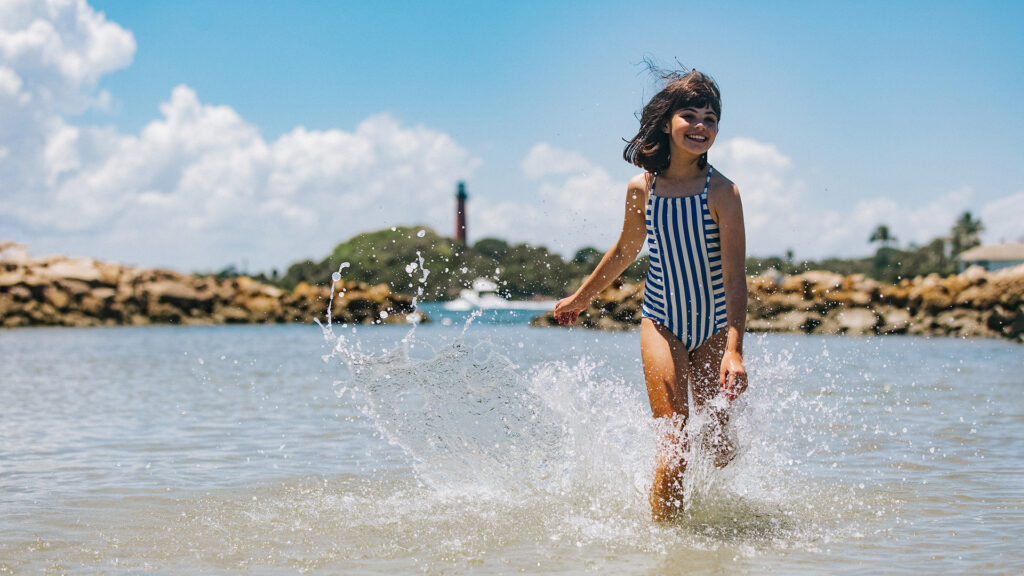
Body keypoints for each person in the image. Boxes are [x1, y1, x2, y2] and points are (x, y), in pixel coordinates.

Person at [553, 68, 748, 521]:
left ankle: (706, 525)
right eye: (690, 115)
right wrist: (581, 298)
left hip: (716, 325)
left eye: (711, 119)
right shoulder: (643, 187)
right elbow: (625, 249)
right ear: (666, 122)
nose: (701, 126)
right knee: (675, 441)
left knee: (718, 446)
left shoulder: (723, 192)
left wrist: (734, 352)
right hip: (662, 320)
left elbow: (736, 278)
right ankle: (666, 550)